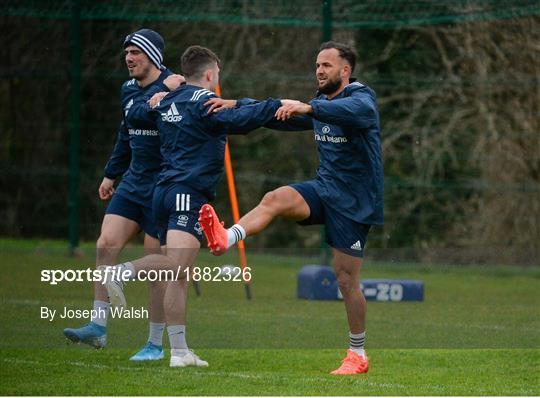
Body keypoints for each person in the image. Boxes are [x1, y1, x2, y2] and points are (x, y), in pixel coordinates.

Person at [97, 45, 289, 368]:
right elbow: (245, 119)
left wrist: (153, 100)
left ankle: (180, 352)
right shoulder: (205, 103)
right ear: (211, 75)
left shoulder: (167, 100)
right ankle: (121, 272)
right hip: (187, 193)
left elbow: (136, 115)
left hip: (162, 192)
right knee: (175, 264)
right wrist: (277, 105)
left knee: (181, 273)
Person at [199, 41, 383, 375]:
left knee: (346, 280)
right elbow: (277, 112)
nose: (319, 70)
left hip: (355, 202)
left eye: (326, 65)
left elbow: (361, 114)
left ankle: (358, 355)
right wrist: (238, 104)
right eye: (317, 65)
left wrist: (309, 109)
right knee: (275, 198)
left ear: (345, 71)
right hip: (324, 189)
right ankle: (227, 238)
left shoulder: (360, 97)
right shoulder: (319, 103)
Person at [63, 29, 187, 362]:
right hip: (133, 182)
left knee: (153, 268)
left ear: (153, 56)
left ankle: (154, 344)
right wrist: (110, 173)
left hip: (163, 186)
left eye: (136, 52)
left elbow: (159, 117)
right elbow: (126, 132)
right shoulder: (129, 90)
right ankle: (98, 326)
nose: (129, 58)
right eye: (126, 52)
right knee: (105, 245)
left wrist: (164, 91)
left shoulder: (178, 88)